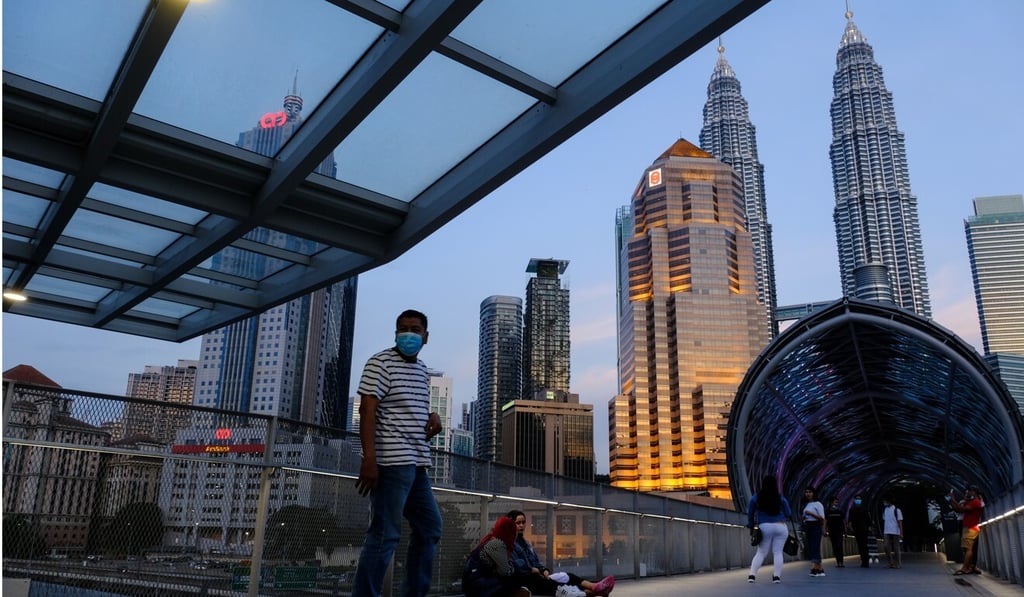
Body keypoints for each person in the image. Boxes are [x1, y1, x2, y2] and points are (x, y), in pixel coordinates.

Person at [352, 309, 444, 597]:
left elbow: (405, 405)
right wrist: (370, 460)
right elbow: (368, 408)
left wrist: (433, 415)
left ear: (425, 336)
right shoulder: (380, 362)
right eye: (403, 329)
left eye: (415, 329)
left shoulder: (421, 370)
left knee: (430, 527)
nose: (408, 334)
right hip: (391, 462)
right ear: (395, 333)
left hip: (417, 463)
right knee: (384, 534)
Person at [505, 510, 615, 597]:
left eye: (523, 522)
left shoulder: (526, 544)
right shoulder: (510, 544)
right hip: (530, 580)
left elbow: (536, 562)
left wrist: (544, 570)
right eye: (518, 523)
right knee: (563, 586)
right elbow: (518, 566)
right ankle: (599, 591)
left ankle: (595, 586)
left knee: (567, 576)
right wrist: (533, 570)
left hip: (538, 576)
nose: (521, 525)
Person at [463, 517, 531, 597]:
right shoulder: (496, 545)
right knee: (522, 591)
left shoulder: (494, 542)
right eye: (514, 531)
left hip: (477, 585)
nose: (516, 534)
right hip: (478, 588)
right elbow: (508, 574)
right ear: (509, 532)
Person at [746, 475, 793, 584]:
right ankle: (776, 577)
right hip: (780, 526)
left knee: (761, 552)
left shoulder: (756, 497)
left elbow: (750, 513)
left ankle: (752, 575)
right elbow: (789, 513)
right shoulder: (780, 498)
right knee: (777, 552)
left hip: (765, 526)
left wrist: (751, 524)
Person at [949, 485, 984, 576]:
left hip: (971, 527)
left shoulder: (976, 502)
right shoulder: (971, 502)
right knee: (967, 548)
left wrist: (953, 499)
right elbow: (958, 509)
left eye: (969, 491)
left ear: (974, 492)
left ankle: (965, 568)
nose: (967, 493)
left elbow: (962, 509)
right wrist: (952, 500)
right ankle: (969, 567)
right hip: (968, 527)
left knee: (968, 549)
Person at [802, 486, 826, 576]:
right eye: (806, 492)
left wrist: (811, 514)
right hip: (808, 526)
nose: (808, 494)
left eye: (810, 492)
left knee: (815, 546)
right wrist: (804, 517)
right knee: (812, 547)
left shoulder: (818, 504)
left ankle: (814, 568)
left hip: (816, 526)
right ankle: (820, 569)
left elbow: (822, 518)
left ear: (813, 493)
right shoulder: (806, 504)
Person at [847, 494, 873, 567]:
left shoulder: (865, 509)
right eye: (856, 499)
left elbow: (868, 519)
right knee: (860, 545)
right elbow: (850, 519)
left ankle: (866, 560)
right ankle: (863, 559)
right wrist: (850, 526)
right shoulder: (852, 509)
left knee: (864, 545)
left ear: (861, 500)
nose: (858, 500)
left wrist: (869, 527)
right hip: (857, 529)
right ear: (855, 500)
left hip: (864, 529)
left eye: (859, 499)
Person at [880, 497, 904, 569]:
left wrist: (901, 533)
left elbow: (900, 522)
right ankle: (890, 563)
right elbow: (884, 519)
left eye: (885, 501)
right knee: (886, 546)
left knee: (896, 548)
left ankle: (898, 563)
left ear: (889, 501)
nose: (884, 502)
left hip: (895, 531)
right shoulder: (885, 510)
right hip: (886, 531)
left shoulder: (897, 510)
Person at [825, 496, 846, 567]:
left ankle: (841, 562)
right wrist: (824, 530)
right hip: (832, 531)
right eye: (835, 502)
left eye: (837, 502)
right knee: (834, 547)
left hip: (839, 531)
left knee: (839, 545)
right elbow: (825, 521)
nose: (836, 503)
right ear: (831, 503)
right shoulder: (828, 511)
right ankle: (838, 562)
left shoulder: (840, 511)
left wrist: (845, 531)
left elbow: (843, 521)